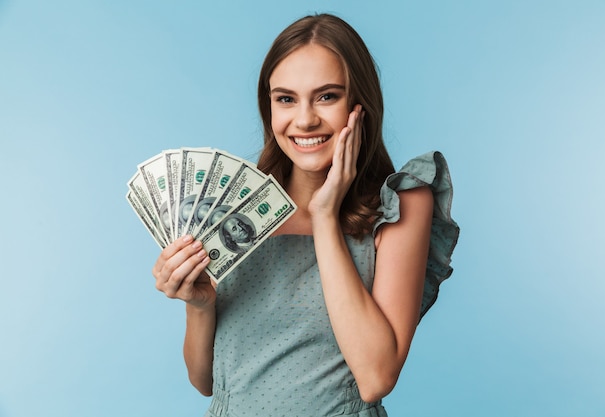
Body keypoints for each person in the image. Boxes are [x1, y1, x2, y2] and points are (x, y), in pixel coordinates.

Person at [152, 13, 459, 417]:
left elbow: (376, 376)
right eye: (286, 99)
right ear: (270, 108)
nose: (304, 119)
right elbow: (206, 381)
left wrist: (326, 217)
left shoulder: (400, 203)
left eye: (327, 96)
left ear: (360, 104)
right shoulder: (234, 212)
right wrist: (200, 304)